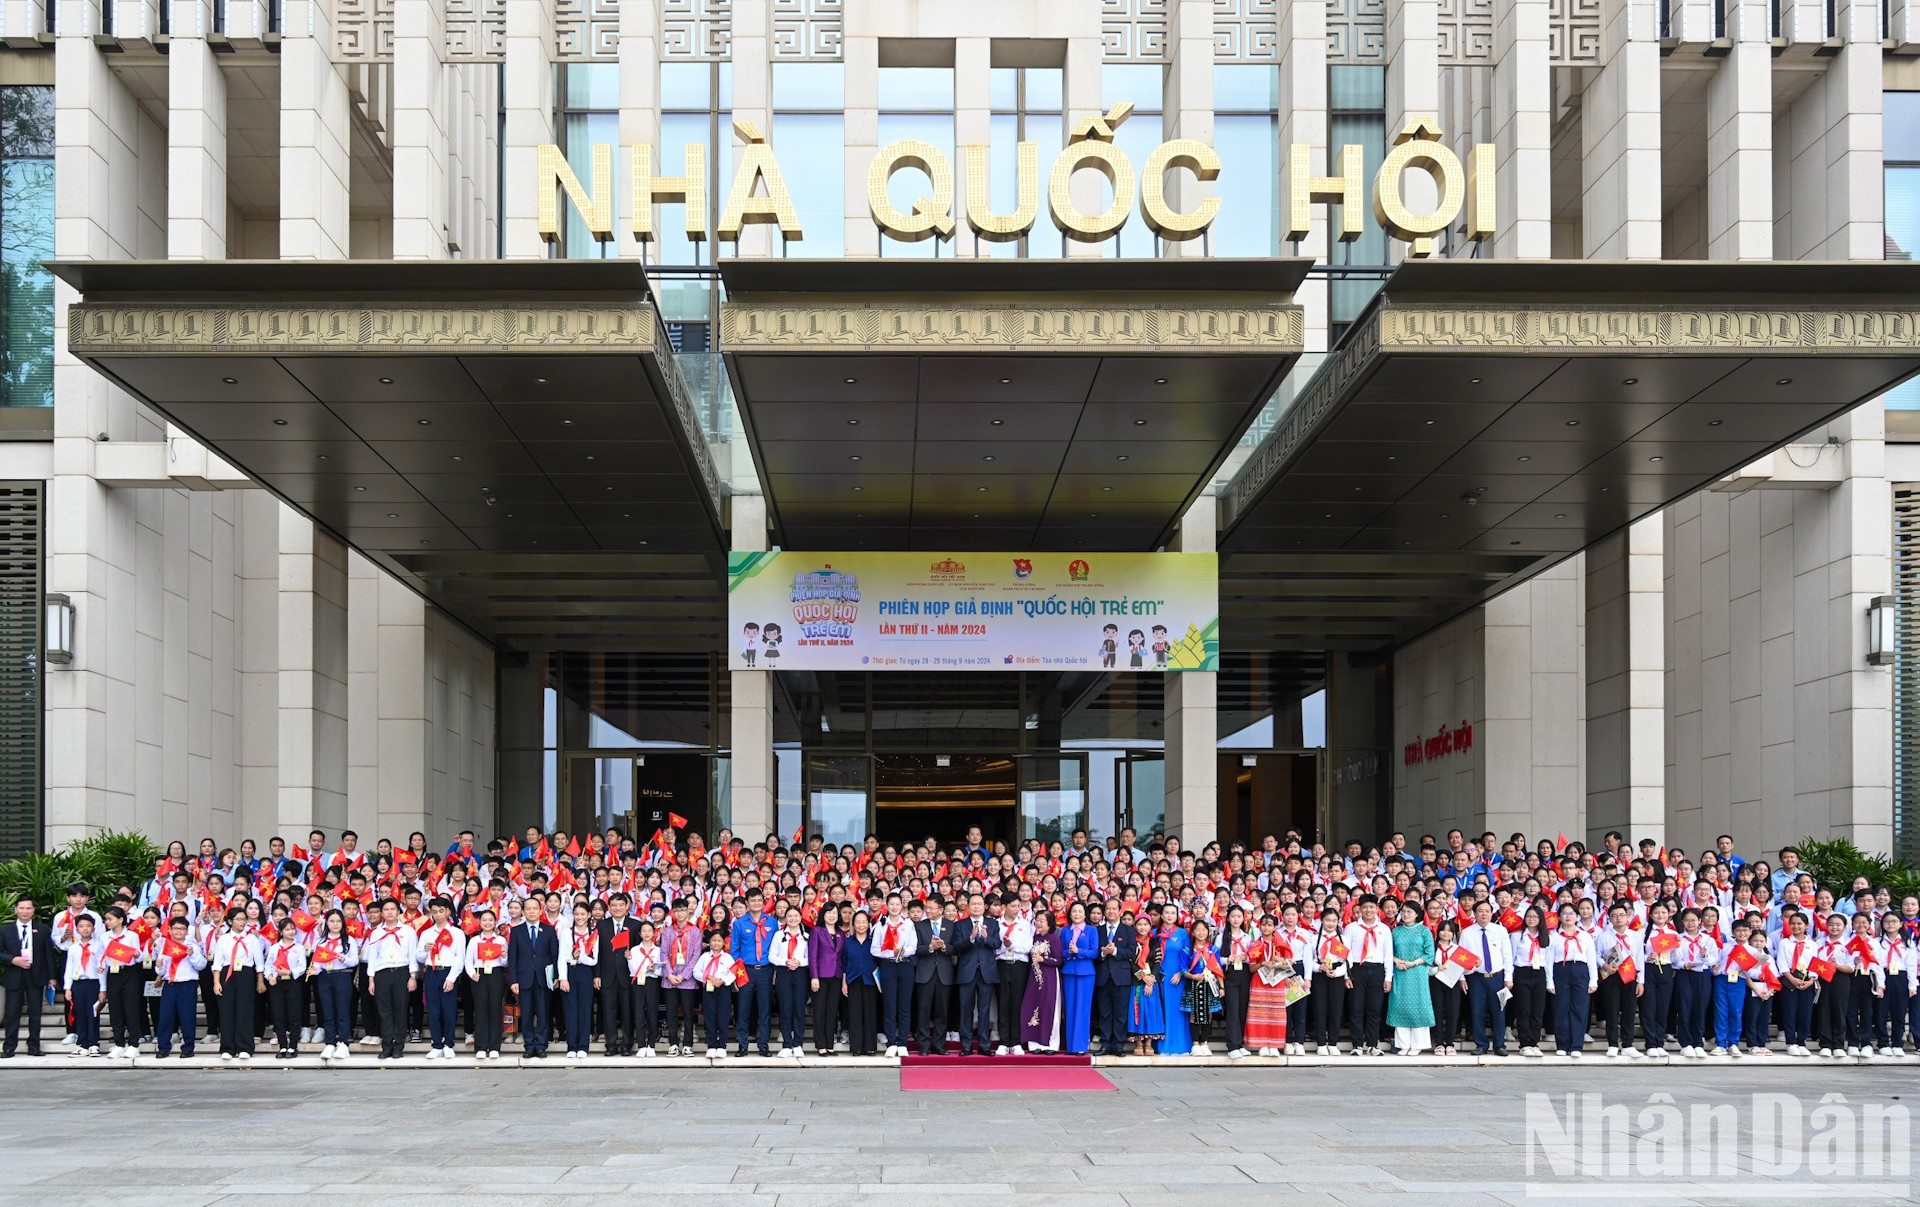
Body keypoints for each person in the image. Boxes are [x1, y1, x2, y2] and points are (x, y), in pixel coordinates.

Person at [363, 900, 420, 1060]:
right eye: (386, 909)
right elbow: (372, 958)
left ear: (398, 911)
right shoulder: (376, 933)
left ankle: (399, 1046)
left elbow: (412, 956)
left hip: (401, 972)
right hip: (382, 973)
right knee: (384, 1011)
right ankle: (386, 1045)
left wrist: (412, 977)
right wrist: (371, 980)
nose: (389, 912)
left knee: (401, 1010)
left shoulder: (408, 931)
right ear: (382, 913)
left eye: (392, 909)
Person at [0, 899, 54, 1058]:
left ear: (33, 910)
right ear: (15, 909)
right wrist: (12, 960)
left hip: (36, 975)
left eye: (28, 908)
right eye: (21, 908)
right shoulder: (4, 930)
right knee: (12, 1013)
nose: (25, 911)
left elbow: (49, 955)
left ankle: (34, 1046)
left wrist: (52, 977)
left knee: (35, 1013)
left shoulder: (42, 929)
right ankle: (9, 1047)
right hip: (14, 974)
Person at [209, 906, 264, 1061]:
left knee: (245, 1010)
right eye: (239, 919)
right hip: (227, 975)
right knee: (227, 1011)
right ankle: (227, 1047)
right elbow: (217, 963)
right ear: (230, 921)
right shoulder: (223, 939)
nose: (242, 922)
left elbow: (259, 963)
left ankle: (245, 1047)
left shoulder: (252, 939)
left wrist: (260, 981)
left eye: (244, 919)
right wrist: (216, 982)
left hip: (245, 974)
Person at [949, 893, 998, 1057]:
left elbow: (996, 944)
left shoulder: (992, 924)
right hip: (967, 972)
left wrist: (986, 937)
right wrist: (970, 938)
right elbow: (956, 947)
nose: (976, 907)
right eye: (973, 904)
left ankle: (984, 1045)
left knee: (984, 1010)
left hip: (986, 972)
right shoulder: (960, 925)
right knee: (966, 1009)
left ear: (985, 906)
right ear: (968, 907)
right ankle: (966, 1045)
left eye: (979, 904)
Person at [1343, 895, 1393, 1057]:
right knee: (1356, 1008)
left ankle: (1373, 1044)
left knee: (1374, 1009)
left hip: (1377, 970)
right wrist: (1347, 975)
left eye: (1372, 907)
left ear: (1377, 908)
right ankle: (1357, 1044)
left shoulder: (1384, 929)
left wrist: (1388, 977)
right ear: (1360, 909)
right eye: (1365, 907)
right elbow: (1346, 953)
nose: (1368, 910)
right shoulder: (1351, 928)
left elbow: (1388, 953)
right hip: (1357, 969)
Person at [1546, 904, 1598, 1058]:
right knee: (1561, 1009)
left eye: (1571, 913)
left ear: (1577, 916)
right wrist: (1550, 982)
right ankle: (1562, 1044)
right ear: (1559, 917)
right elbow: (1548, 961)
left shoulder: (1584, 936)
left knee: (1579, 1009)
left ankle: (1576, 1045)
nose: (1568, 916)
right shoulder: (1553, 937)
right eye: (1564, 913)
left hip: (1580, 971)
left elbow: (1591, 959)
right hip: (1560, 971)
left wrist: (1593, 980)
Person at [506, 899, 555, 1059]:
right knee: (525, 1014)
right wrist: (513, 980)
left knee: (543, 1013)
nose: (532, 911)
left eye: (535, 908)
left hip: (543, 979)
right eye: (528, 909)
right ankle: (529, 1045)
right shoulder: (516, 931)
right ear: (523, 911)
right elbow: (512, 958)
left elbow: (554, 955)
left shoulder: (548, 930)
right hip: (523, 979)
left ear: (541, 911)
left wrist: (556, 977)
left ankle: (541, 1045)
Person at [730, 890, 776, 1058]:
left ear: (763, 902)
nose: (756, 903)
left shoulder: (772, 922)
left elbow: (775, 947)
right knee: (743, 1009)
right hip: (746, 970)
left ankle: (763, 1044)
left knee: (765, 1009)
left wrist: (775, 971)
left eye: (759, 900)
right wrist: (735, 974)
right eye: (752, 901)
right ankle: (742, 1045)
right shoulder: (739, 924)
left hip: (766, 969)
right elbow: (734, 951)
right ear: (747, 903)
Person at [153, 916, 206, 1058]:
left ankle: (188, 1048)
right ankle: (163, 1047)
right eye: (176, 928)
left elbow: (201, 965)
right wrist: (158, 967)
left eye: (182, 929)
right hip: (170, 985)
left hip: (187, 985)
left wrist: (192, 955)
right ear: (170, 930)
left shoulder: (192, 946)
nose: (179, 931)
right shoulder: (165, 946)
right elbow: (161, 971)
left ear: (187, 931)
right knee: (165, 1016)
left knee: (187, 1017)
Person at [1386, 901, 1436, 1055]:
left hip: (1417, 972)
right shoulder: (1396, 931)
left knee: (1419, 1006)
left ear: (1416, 914)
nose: (1406, 914)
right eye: (1404, 911)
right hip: (1400, 972)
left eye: (1409, 912)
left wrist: (1413, 963)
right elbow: (1388, 951)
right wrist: (1397, 961)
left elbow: (1429, 954)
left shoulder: (1424, 931)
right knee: (1400, 1005)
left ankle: (1418, 1043)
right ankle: (1403, 1044)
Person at [872, 895, 918, 1057]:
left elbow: (914, 945)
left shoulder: (908, 923)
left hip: (905, 965)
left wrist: (904, 952)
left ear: (901, 905)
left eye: (897, 904)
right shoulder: (880, 924)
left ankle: (903, 1042)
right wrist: (892, 952)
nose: (894, 907)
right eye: (891, 904)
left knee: (904, 1006)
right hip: (888, 965)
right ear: (887, 905)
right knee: (890, 1006)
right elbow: (874, 949)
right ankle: (891, 1042)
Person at [1594, 904, 1643, 1059]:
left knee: (1629, 1010)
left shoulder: (1635, 936)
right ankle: (1613, 1044)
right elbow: (1595, 955)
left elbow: (1640, 959)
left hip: (1630, 974)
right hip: (1611, 975)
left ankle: (1628, 1044)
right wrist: (1604, 965)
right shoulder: (1603, 936)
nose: (1618, 918)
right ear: (1609, 918)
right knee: (1611, 1010)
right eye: (1614, 915)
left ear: (1627, 917)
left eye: (1621, 915)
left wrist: (1641, 981)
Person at [419, 897, 465, 1061]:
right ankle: (437, 1044)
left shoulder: (457, 933)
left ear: (448, 912)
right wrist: (425, 950)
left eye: (441, 911)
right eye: (434, 912)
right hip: (431, 971)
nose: (438, 915)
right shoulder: (426, 933)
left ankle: (449, 1044)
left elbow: (460, 958)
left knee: (449, 1010)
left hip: (448, 972)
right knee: (433, 1010)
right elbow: (419, 956)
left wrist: (452, 978)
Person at [598, 893, 643, 1057]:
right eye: (614, 905)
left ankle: (627, 1044)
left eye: (621, 905)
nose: (617, 908)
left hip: (628, 975)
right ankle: (610, 1044)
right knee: (608, 1010)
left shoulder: (635, 925)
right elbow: (598, 952)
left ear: (627, 907)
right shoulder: (601, 925)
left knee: (627, 1011)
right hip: (607, 974)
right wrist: (597, 975)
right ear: (609, 907)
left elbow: (640, 951)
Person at [99, 907, 146, 1058]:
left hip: (129, 972)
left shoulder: (131, 935)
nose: (107, 922)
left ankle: (133, 1044)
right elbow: (101, 958)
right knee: (115, 1009)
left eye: (110, 919)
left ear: (120, 920)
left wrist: (138, 954)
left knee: (131, 1008)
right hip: (113, 973)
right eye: (106, 919)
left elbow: (138, 956)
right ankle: (119, 1043)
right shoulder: (104, 937)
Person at [1245, 913, 1292, 1058]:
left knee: (1276, 1014)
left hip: (1277, 981)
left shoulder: (1281, 943)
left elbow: (1290, 961)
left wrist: (1281, 961)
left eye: (1270, 924)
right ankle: (1262, 1044)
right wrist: (1262, 963)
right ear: (1259, 926)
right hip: (1259, 981)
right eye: (1263, 924)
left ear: (1275, 927)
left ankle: (1275, 1045)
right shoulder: (1254, 944)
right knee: (1260, 1013)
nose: (1266, 927)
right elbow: (1251, 968)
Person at [464, 909, 509, 1059]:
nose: (487, 923)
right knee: (481, 1010)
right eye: (484, 920)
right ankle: (481, 1047)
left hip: (496, 974)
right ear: (479, 922)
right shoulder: (474, 940)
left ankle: (495, 1046)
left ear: (495, 922)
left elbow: (505, 963)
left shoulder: (501, 940)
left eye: (491, 920)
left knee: (495, 1010)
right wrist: (472, 974)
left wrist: (503, 956)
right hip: (479, 975)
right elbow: (468, 961)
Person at [657, 897, 700, 1057]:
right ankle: (673, 1043)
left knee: (688, 1012)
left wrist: (683, 976)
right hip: (669, 980)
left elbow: (696, 956)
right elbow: (663, 953)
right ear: (673, 913)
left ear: (688, 911)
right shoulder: (668, 931)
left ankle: (688, 1044)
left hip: (687, 980)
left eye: (683, 910)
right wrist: (669, 974)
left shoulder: (695, 932)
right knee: (671, 1012)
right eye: (677, 911)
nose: (680, 913)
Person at [61, 914, 107, 1057]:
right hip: (78, 984)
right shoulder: (73, 947)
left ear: (94, 928)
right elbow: (69, 968)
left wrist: (103, 988)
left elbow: (102, 968)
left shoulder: (99, 945)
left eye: (88, 926)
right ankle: (83, 1044)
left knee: (93, 1013)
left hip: (93, 983)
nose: (85, 929)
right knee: (79, 1014)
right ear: (77, 929)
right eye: (81, 926)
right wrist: (67, 987)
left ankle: (94, 1044)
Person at [911, 899, 953, 1056]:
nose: (927, 910)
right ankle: (923, 1045)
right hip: (925, 973)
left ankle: (939, 1044)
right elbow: (915, 949)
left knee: (942, 1011)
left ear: (941, 910)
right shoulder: (919, 926)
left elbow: (956, 948)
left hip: (944, 974)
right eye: (926, 908)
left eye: (931, 908)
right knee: (923, 1010)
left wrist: (943, 947)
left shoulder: (950, 925)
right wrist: (929, 947)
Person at [261, 922, 308, 1059]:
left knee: (294, 1014)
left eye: (293, 929)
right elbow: (268, 966)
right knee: (278, 1014)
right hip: (277, 983)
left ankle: (293, 1045)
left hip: (293, 982)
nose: (291, 932)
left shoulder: (299, 948)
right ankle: (282, 1045)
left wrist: (289, 971)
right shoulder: (275, 948)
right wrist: (270, 977)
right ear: (281, 931)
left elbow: (301, 967)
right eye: (287, 929)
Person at [1095, 902, 1136, 1057]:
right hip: (1103, 977)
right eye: (1108, 909)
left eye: (1114, 909)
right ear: (1104, 912)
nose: (1111, 911)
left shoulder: (1128, 930)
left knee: (1120, 1013)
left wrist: (1115, 951)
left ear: (1120, 911)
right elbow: (1094, 952)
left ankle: (1118, 1045)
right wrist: (1104, 953)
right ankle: (1105, 1044)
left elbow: (1131, 952)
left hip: (1122, 977)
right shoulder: (1097, 930)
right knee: (1104, 1013)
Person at [994, 894, 1033, 1055]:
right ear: (1004, 907)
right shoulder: (996, 924)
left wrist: (1012, 945)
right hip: (1001, 964)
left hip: (1019, 966)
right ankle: (1003, 1041)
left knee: (1017, 1003)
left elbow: (1027, 947)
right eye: (1013, 906)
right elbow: (994, 948)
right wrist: (1005, 947)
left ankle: (1016, 1041)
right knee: (1002, 1003)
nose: (1017, 909)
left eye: (1018, 906)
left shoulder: (1024, 924)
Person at [1020, 911, 1063, 1053]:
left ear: (1049, 923)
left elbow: (1059, 960)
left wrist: (1044, 960)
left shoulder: (1055, 938)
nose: (1038, 923)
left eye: (1042, 921)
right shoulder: (1034, 938)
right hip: (1034, 977)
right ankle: (1035, 1044)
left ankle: (1051, 1044)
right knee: (1033, 1006)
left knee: (1049, 1008)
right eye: (1037, 920)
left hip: (1050, 977)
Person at [1511, 906, 1551, 1058]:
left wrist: (1550, 982)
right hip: (1522, 973)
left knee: (1537, 1011)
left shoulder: (1546, 937)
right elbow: (1512, 958)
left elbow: (1548, 961)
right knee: (1524, 1010)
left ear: (1540, 919)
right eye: (1528, 916)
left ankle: (1534, 1043)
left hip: (1539, 974)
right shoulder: (1517, 937)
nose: (1531, 919)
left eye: (1535, 916)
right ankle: (1524, 1044)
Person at [770, 905, 810, 1058]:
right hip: (783, 972)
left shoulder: (806, 936)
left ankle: (798, 1043)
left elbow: (810, 957)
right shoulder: (778, 935)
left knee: (799, 1008)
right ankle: (787, 1043)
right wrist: (785, 961)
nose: (793, 919)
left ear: (800, 918)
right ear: (785, 918)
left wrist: (799, 962)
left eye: (796, 916)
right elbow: (771, 956)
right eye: (790, 916)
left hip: (800, 972)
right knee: (785, 1008)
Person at [560, 901, 598, 1061]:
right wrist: (563, 978)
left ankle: (583, 1045)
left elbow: (594, 960)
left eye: (583, 914)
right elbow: (561, 956)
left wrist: (580, 956)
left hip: (585, 971)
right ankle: (572, 1046)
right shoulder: (566, 932)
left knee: (584, 1009)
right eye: (577, 914)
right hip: (570, 970)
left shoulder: (594, 933)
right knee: (570, 1010)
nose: (580, 917)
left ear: (589, 915)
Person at [1059, 902, 1098, 1056]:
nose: (1077, 914)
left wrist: (1078, 951)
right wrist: (1069, 952)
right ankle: (1071, 1046)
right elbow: (1061, 952)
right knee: (1070, 1009)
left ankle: (1081, 1045)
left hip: (1086, 973)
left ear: (1085, 914)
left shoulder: (1091, 930)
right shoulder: (1065, 931)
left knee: (1083, 1008)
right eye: (1074, 911)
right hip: (1069, 971)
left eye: (1080, 911)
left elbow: (1094, 952)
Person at [692, 928, 738, 1057]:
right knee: (710, 1015)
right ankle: (711, 1044)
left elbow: (732, 973)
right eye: (713, 940)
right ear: (709, 942)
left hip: (723, 989)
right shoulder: (704, 957)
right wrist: (707, 978)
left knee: (723, 1016)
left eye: (719, 941)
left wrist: (722, 981)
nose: (716, 943)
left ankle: (722, 1045)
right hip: (708, 988)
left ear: (723, 943)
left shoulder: (727, 957)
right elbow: (696, 971)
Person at [808, 906, 847, 1057]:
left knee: (832, 1011)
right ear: (823, 915)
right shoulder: (817, 931)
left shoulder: (840, 933)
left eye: (835, 913)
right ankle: (821, 1045)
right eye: (829, 913)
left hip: (836, 976)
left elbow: (842, 957)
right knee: (820, 1011)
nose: (832, 916)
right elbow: (812, 956)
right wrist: (814, 977)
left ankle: (830, 1044)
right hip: (821, 977)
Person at [1218, 905, 1256, 1059]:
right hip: (1229, 973)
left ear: (1243, 918)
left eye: (1239, 916)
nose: (1236, 919)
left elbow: (1254, 956)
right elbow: (1214, 958)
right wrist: (1228, 959)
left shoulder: (1247, 937)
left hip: (1245, 973)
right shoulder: (1222, 936)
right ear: (1228, 918)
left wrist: (1248, 958)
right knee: (1232, 1009)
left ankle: (1239, 1044)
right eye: (1233, 916)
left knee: (1242, 1008)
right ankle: (1232, 1045)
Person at [843, 913, 881, 1056]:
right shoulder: (848, 942)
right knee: (855, 1014)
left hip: (870, 980)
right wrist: (844, 983)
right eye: (857, 922)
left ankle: (870, 1046)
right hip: (853, 980)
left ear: (868, 924)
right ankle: (856, 1047)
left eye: (864, 922)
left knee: (870, 1014)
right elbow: (844, 962)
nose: (860, 925)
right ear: (853, 924)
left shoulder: (874, 942)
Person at [1127, 912, 1166, 1055]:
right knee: (1137, 1010)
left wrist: (1151, 981)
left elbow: (1157, 962)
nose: (1142, 927)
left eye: (1145, 924)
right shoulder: (1131, 942)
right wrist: (1143, 977)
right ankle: (1138, 1042)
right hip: (1136, 982)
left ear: (1150, 926)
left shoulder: (1155, 942)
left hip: (1152, 983)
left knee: (1151, 1010)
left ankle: (1149, 1043)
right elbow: (1130, 963)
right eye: (1139, 924)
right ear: (1135, 925)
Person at [1160, 906, 1195, 1056]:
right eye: (1166, 913)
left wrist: (1181, 973)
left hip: (1177, 977)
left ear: (1177, 916)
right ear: (1161, 915)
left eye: (1173, 913)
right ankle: (1163, 1045)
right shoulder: (1156, 933)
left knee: (1177, 1011)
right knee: (1163, 1010)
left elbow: (1187, 955)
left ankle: (1180, 1046)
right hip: (1160, 977)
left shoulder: (1182, 934)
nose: (1169, 916)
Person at [627, 919, 662, 1057]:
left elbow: (661, 971)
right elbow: (632, 970)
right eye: (644, 931)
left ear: (654, 933)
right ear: (640, 934)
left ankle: (651, 1044)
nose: (647, 933)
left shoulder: (658, 950)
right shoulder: (634, 950)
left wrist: (653, 970)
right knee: (639, 1012)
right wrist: (629, 959)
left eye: (649, 931)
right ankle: (641, 1044)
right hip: (638, 982)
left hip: (652, 982)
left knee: (652, 1012)